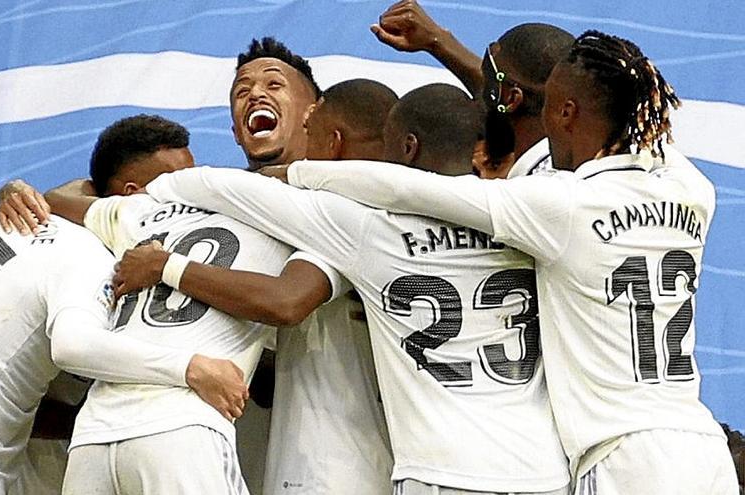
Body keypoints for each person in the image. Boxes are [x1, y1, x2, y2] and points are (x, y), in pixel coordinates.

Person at [269, 31, 739, 493]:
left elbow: (408, 189)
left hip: (622, 456)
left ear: (567, 112)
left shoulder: (559, 203)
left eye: (551, 107)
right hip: (700, 444)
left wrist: (296, 173)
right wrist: (445, 47)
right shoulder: (693, 189)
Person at [138, 83, 570, 494]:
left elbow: (225, 189)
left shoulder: (365, 227)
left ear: (406, 148)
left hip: (442, 467)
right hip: (543, 468)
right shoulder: (525, 216)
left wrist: (153, 204)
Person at [0, 116, 244, 494]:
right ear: (135, 195)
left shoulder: (3, 223)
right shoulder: (90, 253)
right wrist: (190, 368)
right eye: (179, 187)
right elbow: (72, 346)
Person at [112, 78, 399, 494]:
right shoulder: (243, 216)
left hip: (334, 466)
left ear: (316, 123)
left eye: (275, 83)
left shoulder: (335, 218)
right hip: (280, 457)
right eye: (241, 90)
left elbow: (286, 302)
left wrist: (167, 267)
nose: (255, 95)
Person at [0, 114, 294, 494]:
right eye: (175, 177)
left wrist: (16, 189)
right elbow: (288, 303)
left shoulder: (127, 216)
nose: (185, 185)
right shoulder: (275, 214)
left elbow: (56, 200)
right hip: (181, 425)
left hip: (93, 437)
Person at [371, 1, 574, 179]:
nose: (483, 74)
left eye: (490, 71)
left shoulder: (526, 193)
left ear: (512, 99)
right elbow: (502, 98)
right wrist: (437, 41)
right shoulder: (585, 155)